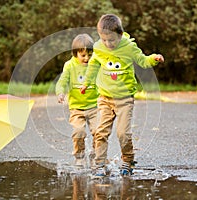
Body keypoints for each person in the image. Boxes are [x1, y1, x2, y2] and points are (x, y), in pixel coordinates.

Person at [80, 14, 164, 176]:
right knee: (100, 132)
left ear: (120, 34)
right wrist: (87, 83)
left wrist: (154, 58)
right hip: (104, 98)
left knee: (123, 133)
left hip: (124, 99)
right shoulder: (98, 47)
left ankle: (127, 160)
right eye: (104, 40)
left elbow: (142, 60)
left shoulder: (128, 46)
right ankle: (100, 164)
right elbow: (93, 66)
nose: (107, 43)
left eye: (111, 40)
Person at [56, 33, 99, 167]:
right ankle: (79, 156)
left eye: (89, 54)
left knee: (99, 131)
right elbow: (62, 81)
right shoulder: (70, 65)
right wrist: (60, 92)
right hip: (77, 108)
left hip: (95, 106)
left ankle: (96, 155)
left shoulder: (96, 64)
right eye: (83, 55)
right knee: (79, 132)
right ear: (75, 54)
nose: (87, 58)